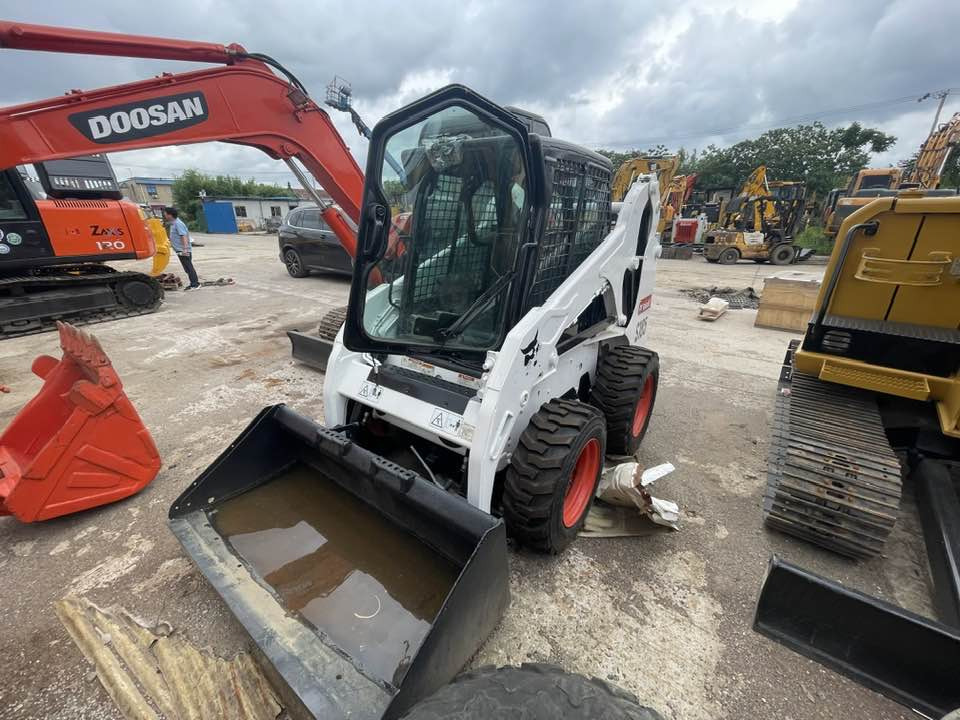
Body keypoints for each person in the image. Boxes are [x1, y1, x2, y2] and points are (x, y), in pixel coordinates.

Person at [164, 207, 200, 290]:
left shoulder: (178, 223)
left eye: (165, 214)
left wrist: (185, 249)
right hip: (179, 250)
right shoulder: (174, 223)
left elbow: (183, 236)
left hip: (183, 250)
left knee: (189, 267)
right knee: (187, 268)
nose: (164, 215)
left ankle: (195, 284)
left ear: (170, 215)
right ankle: (193, 283)